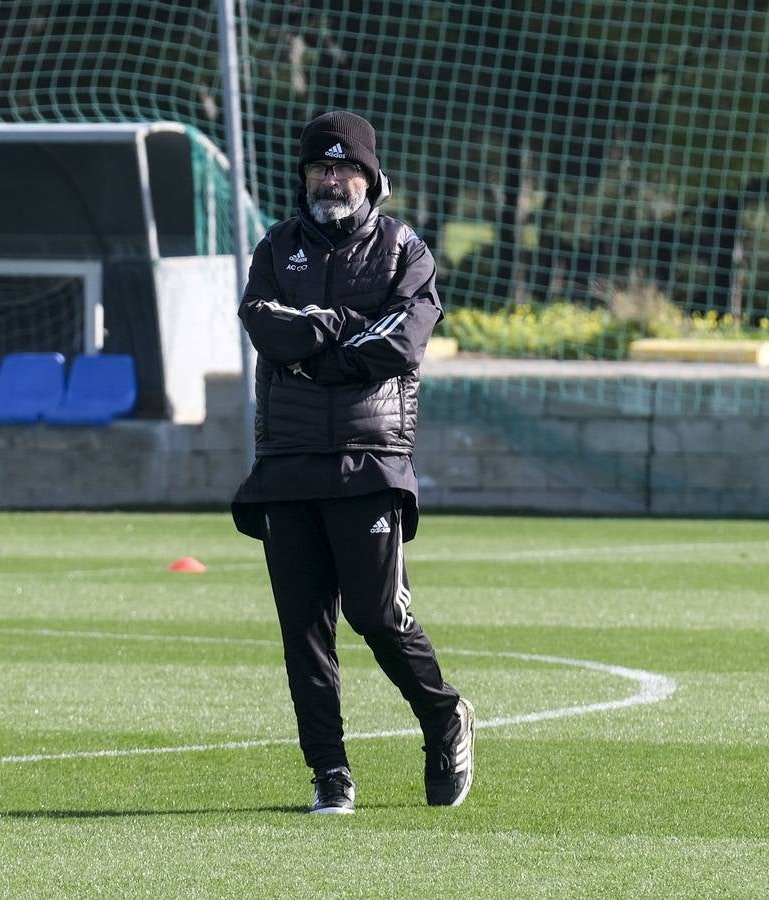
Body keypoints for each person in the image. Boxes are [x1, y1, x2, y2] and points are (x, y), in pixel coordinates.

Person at [230, 110, 473, 815]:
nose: (330, 179)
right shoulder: (276, 247)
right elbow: (266, 326)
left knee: (376, 613)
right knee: (303, 630)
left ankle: (443, 717)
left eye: (344, 168)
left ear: (370, 177)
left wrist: (319, 349)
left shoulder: (405, 251)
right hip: (287, 462)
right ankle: (330, 775)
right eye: (318, 168)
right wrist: (341, 331)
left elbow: (401, 341)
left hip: (370, 460)